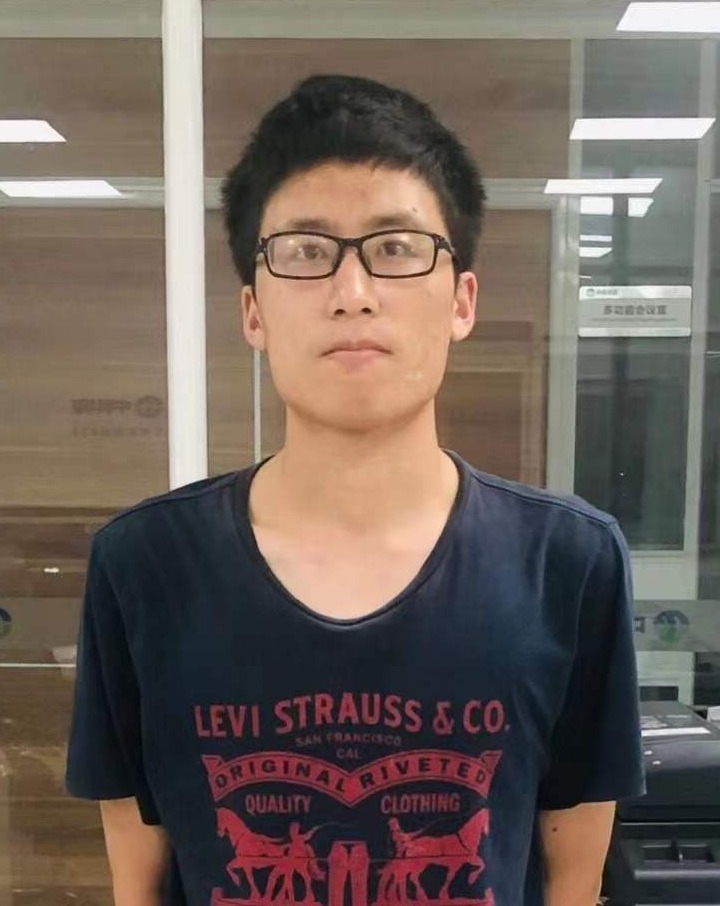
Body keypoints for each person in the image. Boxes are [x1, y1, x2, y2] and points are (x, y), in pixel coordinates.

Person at [65, 74, 645, 906]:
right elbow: (138, 881)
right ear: (253, 312)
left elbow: (573, 881)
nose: (353, 293)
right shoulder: (144, 566)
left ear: (462, 301)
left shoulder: (570, 563)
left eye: (396, 248)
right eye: (306, 252)